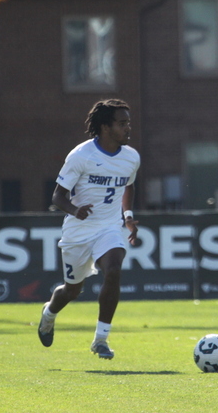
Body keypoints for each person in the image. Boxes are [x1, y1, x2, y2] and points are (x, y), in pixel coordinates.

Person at [37, 99, 140, 360]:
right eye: (122, 123)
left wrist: (127, 217)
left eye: (128, 122)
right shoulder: (81, 156)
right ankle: (49, 314)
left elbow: (128, 185)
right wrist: (75, 210)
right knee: (71, 291)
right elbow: (58, 196)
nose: (128, 128)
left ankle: (101, 339)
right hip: (78, 232)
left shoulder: (131, 157)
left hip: (109, 227)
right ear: (105, 127)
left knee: (114, 270)